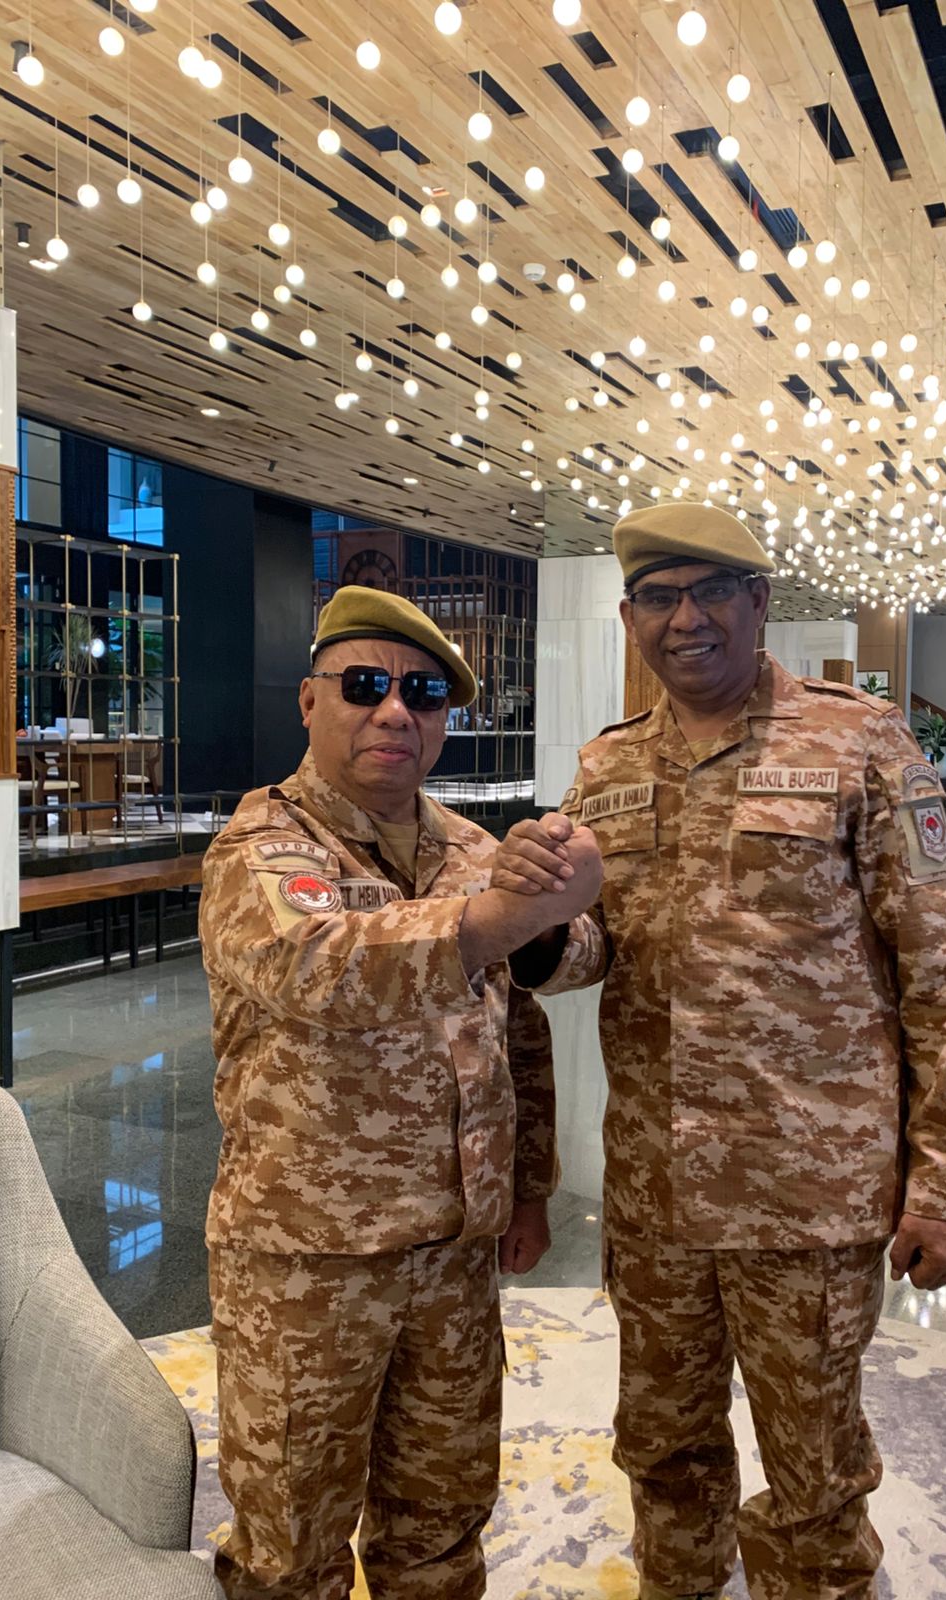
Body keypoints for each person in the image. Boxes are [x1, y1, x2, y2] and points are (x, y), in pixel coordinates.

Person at [492, 503, 946, 1600]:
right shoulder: (607, 765)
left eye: (711, 591)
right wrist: (537, 931)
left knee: (815, 1473)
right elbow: (596, 943)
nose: (686, 619)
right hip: (657, 1194)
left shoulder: (859, 741)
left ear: (758, 602)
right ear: (630, 617)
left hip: (807, 1197)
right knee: (662, 1447)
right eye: (659, 598)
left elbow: (941, 968)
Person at [199, 585, 600, 1600]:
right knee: (291, 1547)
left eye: (423, 694)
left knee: (441, 1528)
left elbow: (529, 1017)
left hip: (452, 1258)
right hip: (310, 1267)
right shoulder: (264, 846)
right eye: (365, 685)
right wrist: (500, 917)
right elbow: (321, 965)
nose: (394, 712)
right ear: (309, 701)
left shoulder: (470, 851)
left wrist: (528, 1188)